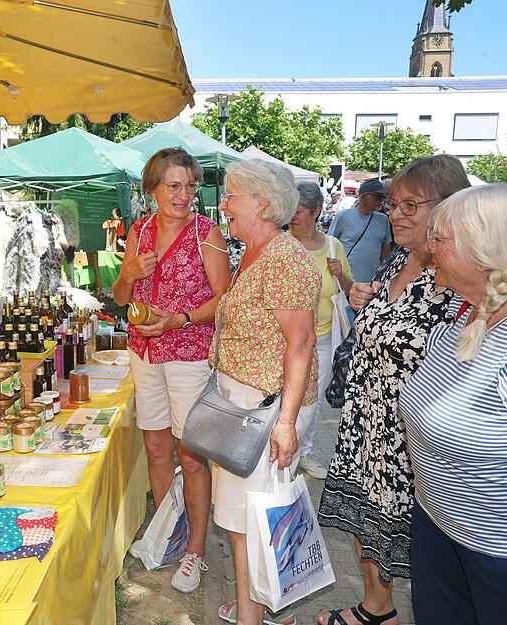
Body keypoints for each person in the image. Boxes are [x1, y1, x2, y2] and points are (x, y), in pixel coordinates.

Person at [317, 155, 470, 625]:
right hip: (366, 414)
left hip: (408, 432)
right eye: (393, 205)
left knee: (414, 540)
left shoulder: (459, 276)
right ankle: (376, 608)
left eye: (410, 205)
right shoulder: (398, 260)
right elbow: (387, 324)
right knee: (363, 515)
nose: (396, 214)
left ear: (447, 209)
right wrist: (363, 298)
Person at [114, 147, 231, 593]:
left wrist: (179, 319)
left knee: (191, 456)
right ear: (153, 190)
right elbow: (122, 296)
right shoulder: (139, 231)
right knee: (158, 449)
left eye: (189, 186)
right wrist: (128, 271)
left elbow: (224, 298)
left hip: (188, 356)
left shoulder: (208, 233)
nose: (183, 195)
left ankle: (196, 552)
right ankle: (169, 536)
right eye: (173, 185)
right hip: (144, 353)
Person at [212, 159, 320, 625]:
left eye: (230, 194)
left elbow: (301, 343)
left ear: (261, 201)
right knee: (243, 518)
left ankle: (253, 615)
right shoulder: (256, 252)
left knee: (258, 520)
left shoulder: (283, 259)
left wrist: (286, 423)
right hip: (246, 405)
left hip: (268, 408)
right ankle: (252, 606)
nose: (223, 204)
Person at [398, 184, 507, 625]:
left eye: (440, 239)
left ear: (483, 253)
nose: (428, 247)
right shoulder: (468, 312)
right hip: (437, 524)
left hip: (494, 552)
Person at [287, 182, 353, 480]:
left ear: (316, 212)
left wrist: (341, 275)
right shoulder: (281, 245)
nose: (292, 217)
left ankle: (304, 452)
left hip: (323, 340)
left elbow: (351, 292)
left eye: (298, 211)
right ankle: (285, 451)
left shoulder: (332, 246)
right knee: (285, 399)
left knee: (310, 404)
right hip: (286, 341)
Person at [328, 178, 393, 282]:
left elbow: (386, 252)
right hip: (346, 282)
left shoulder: (383, 219)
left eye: (384, 197)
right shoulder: (342, 217)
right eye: (379, 197)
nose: (382, 200)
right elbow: (329, 246)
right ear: (363, 197)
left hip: (372, 283)